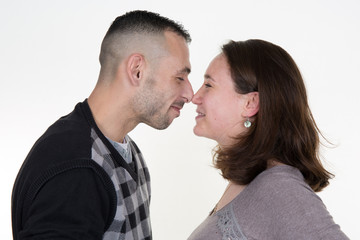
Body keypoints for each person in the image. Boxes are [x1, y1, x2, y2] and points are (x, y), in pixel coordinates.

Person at [12, 10, 193, 240]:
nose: (190, 94)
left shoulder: (126, 151)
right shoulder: (77, 169)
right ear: (137, 70)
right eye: (179, 78)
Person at [188, 39, 349, 240]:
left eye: (208, 85)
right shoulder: (248, 181)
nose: (195, 97)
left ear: (250, 103)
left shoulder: (280, 188)